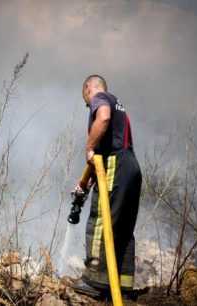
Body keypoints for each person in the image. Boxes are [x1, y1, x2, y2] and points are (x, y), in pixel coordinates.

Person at [70, 75, 142, 299]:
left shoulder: (100, 98)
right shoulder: (118, 103)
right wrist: (88, 179)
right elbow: (111, 141)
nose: (87, 105)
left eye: (85, 99)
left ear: (87, 88)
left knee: (101, 220)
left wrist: (89, 148)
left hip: (114, 163)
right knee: (123, 226)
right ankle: (122, 284)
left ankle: (94, 281)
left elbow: (103, 118)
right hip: (131, 166)